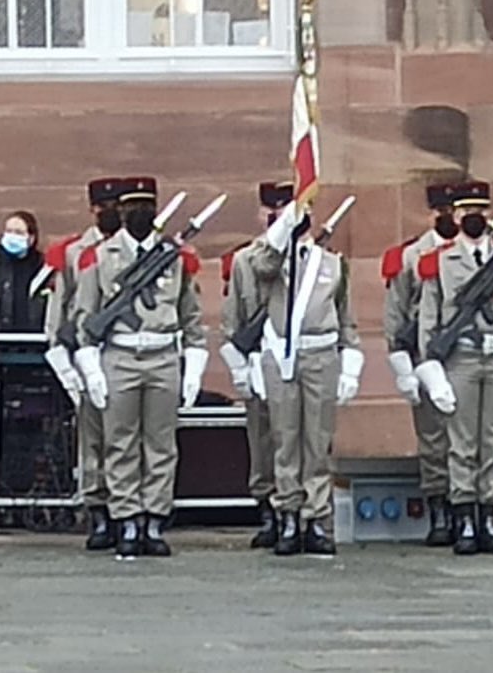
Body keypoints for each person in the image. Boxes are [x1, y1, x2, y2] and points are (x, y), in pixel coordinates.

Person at [71, 177, 208, 558]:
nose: (140, 215)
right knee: (121, 442)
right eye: (132, 209)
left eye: (147, 208)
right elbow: (85, 318)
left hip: (163, 355)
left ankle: (154, 517)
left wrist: (194, 366)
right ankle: (127, 517)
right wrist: (92, 369)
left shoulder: (174, 258)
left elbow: (190, 317)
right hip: (120, 356)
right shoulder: (100, 257)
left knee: (161, 443)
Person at [416, 180, 493, 556]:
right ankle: (465, 517)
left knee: (492, 442)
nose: (474, 218)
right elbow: (428, 320)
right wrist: (432, 370)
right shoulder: (440, 261)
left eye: (480, 212)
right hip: (463, 358)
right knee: (462, 443)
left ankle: (488, 518)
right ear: (455, 215)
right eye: (467, 212)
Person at [247, 200, 363, 556]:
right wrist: (281, 230)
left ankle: (315, 517)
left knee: (317, 441)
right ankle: (289, 515)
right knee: (285, 440)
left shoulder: (332, 263)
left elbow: (346, 318)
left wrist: (350, 363)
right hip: (283, 356)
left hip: (321, 356)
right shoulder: (272, 262)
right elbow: (261, 265)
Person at [44, 178, 125, 552]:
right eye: (102, 205)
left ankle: (128, 512)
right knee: (94, 441)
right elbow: (62, 306)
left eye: (115, 204)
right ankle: (98, 511)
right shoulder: (77, 252)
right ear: (91, 208)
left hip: (126, 351)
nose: (109, 211)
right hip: (88, 353)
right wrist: (62, 356)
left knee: (128, 439)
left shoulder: (136, 250)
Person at [381, 181, 461, 546]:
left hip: (468, 354)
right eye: (440, 211)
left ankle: (467, 508)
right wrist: (403, 368)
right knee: (433, 439)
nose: (447, 217)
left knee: (469, 438)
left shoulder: (483, 254)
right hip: (426, 356)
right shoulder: (411, 256)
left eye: (453, 210)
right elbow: (396, 315)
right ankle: (439, 508)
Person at [219, 180, 294, 549]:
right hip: (257, 358)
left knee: (295, 438)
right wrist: (240, 366)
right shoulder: (244, 260)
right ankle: (267, 509)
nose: (278, 215)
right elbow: (233, 318)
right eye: (272, 209)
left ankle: (295, 509)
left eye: (286, 208)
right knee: (262, 440)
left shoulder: (308, 260)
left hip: (294, 360)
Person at [0, 210, 46, 333]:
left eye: (19, 232)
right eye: (9, 231)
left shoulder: (42, 266)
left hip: (33, 337)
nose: (13, 236)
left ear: (31, 238)